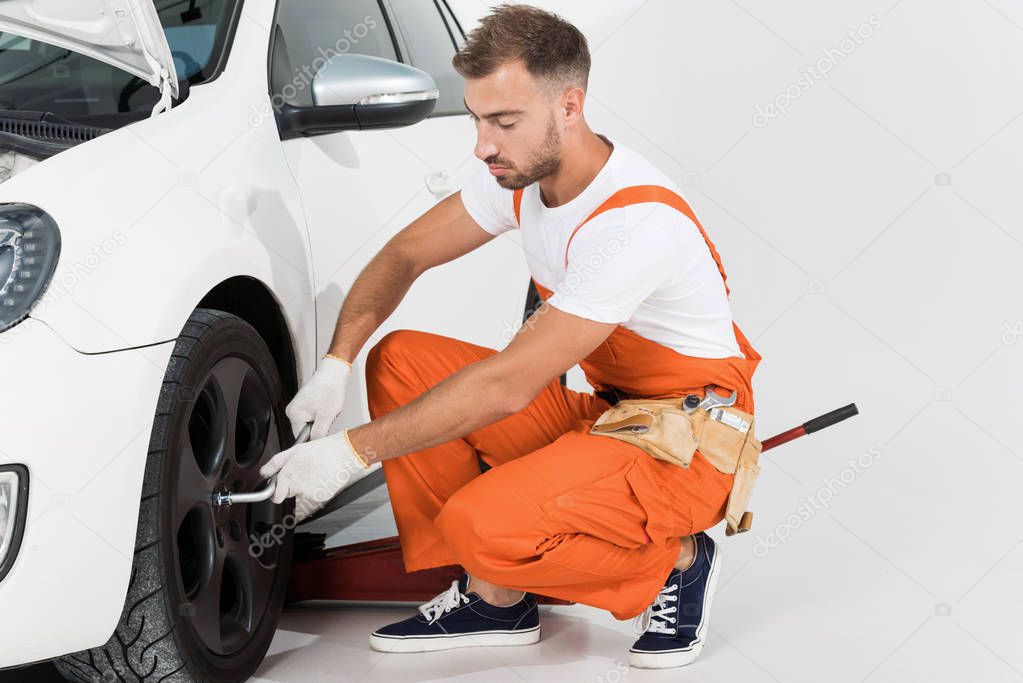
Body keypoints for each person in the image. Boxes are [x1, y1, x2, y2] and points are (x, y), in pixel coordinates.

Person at [260, 3, 761, 669]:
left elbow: (508, 386)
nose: (481, 144)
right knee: (401, 360)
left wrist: (350, 453)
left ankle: (678, 560)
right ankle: (493, 595)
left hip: (686, 440)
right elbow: (403, 255)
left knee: (479, 520)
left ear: (569, 107)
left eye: (503, 121)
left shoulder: (632, 223)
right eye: (475, 118)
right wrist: (334, 363)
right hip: (614, 415)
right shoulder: (524, 178)